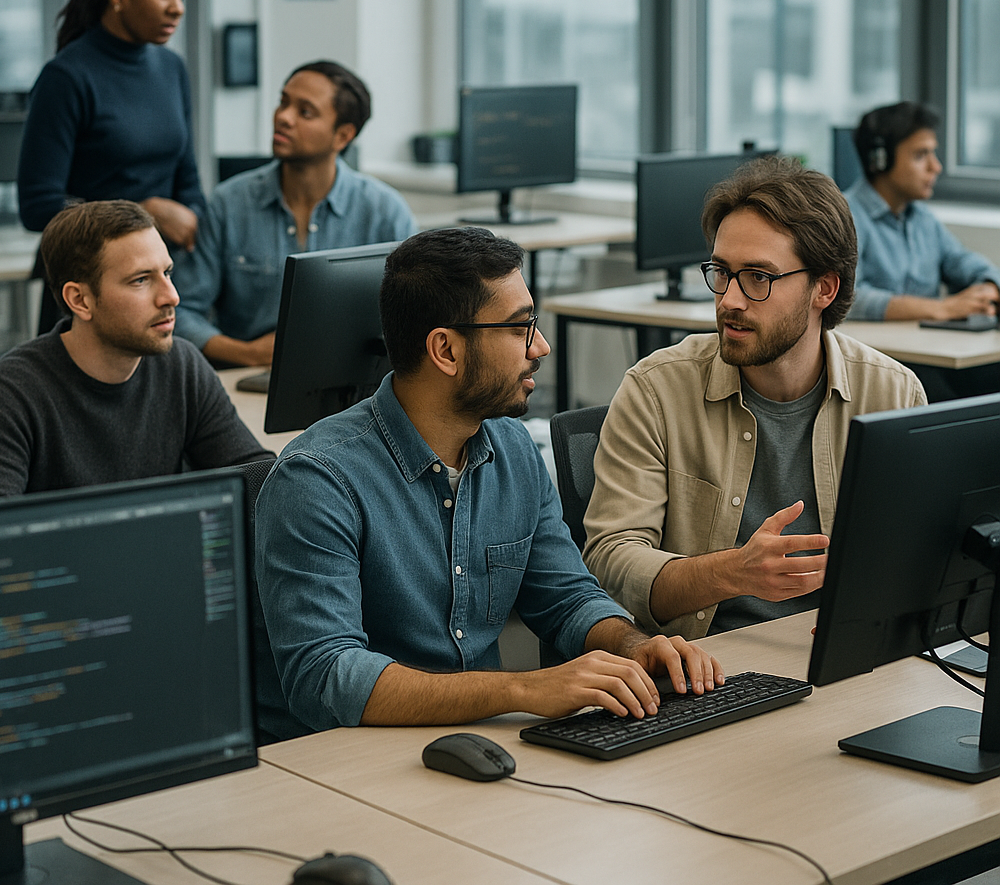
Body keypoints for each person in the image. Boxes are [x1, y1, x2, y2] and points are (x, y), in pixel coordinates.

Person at [253, 227, 722, 740]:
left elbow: (565, 598)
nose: (540, 346)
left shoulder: (513, 449)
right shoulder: (318, 479)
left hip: (480, 743)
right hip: (351, 762)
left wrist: (631, 645)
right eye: (520, 328)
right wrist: (522, 689)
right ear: (446, 351)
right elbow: (325, 677)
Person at [582, 156, 926, 642]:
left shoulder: (893, 394)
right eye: (721, 272)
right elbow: (611, 558)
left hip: (844, 659)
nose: (729, 300)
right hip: (706, 668)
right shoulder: (656, 389)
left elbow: (920, 555)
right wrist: (732, 572)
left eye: (758, 278)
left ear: (823, 288)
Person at [0, 201, 272, 499]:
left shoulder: (182, 366)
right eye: (141, 280)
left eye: (167, 273)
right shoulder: (6, 397)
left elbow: (255, 478)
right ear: (80, 300)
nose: (172, 296)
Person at [17, 0, 204, 332]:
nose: (178, 7)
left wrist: (193, 221)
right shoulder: (66, 77)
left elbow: (187, 179)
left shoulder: (171, 69)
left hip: (161, 280)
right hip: (91, 291)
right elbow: (36, 205)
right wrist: (143, 211)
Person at [172, 60, 417, 368]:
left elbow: (418, 321)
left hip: (353, 388)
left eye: (305, 112)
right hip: (247, 380)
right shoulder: (228, 203)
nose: (283, 118)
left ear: (343, 135)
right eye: (282, 102)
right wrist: (244, 353)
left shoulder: (386, 212)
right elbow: (179, 311)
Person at [845, 101, 1000, 400]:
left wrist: (990, 286)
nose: (936, 167)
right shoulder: (846, 216)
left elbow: (964, 262)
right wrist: (941, 309)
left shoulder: (922, 218)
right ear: (880, 159)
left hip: (931, 356)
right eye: (921, 155)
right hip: (884, 364)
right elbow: (849, 296)